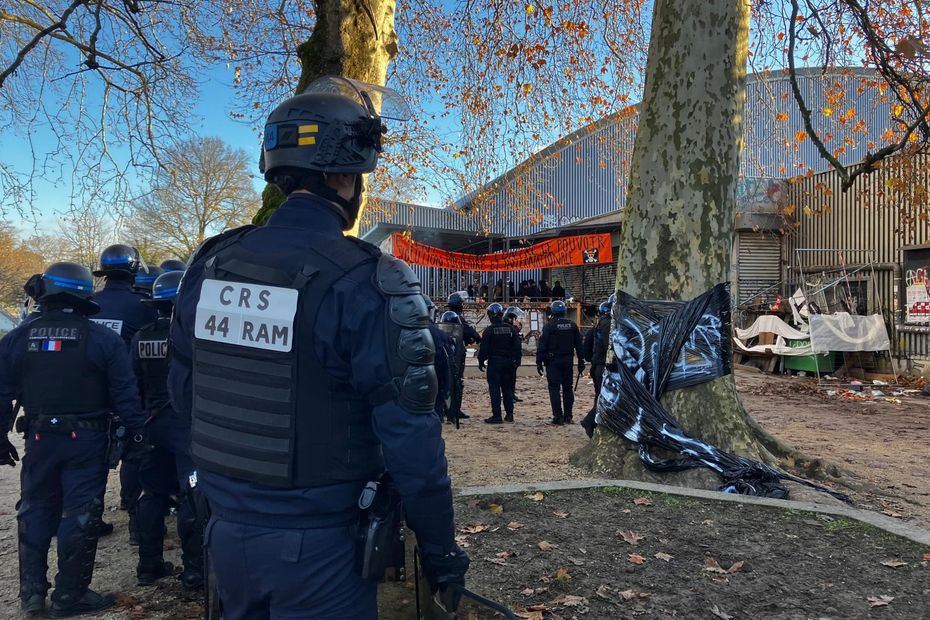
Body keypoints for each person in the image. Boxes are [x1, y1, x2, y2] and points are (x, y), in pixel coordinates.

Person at [168, 76, 467, 619]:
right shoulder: (368, 280)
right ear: (343, 173)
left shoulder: (211, 263)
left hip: (224, 535)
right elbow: (411, 439)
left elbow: (185, 392)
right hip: (318, 551)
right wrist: (440, 549)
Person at [0, 262, 149, 617]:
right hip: (87, 439)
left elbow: (2, 392)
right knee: (81, 512)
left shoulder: (18, 337)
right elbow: (126, 397)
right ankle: (69, 596)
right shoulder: (104, 340)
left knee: (34, 508)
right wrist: (139, 436)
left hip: (38, 437)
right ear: (84, 294)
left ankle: (32, 594)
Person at [131, 270, 205, 589]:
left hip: (151, 423)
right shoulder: (192, 335)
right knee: (192, 496)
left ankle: (148, 564)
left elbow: (131, 383)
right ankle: (194, 572)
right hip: (183, 424)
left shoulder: (141, 336)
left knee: (152, 493)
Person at [91, 243, 157, 543]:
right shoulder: (141, 306)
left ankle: (90, 517)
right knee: (133, 453)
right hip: (129, 391)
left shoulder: (88, 302)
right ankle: (135, 520)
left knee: (89, 457)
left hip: (89, 391)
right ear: (133, 270)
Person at [536, 300, 585, 425]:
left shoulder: (549, 326)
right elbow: (579, 346)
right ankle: (568, 416)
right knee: (568, 389)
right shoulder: (572, 325)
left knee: (554, 389)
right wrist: (581, 361)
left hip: (553, 362)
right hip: (568, 361)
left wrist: (539, 362)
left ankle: (558, 416)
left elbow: (542, 345)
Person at [477, 303, 522, 424]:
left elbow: (483, 349)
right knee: (507, 389)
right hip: (508, 363)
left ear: (490, 316)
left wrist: (481, 361)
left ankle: (497, 416)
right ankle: (510, 414)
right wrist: (517, 361)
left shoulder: (489, 330)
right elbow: (517, 346)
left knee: (495, 389)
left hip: (495, 363)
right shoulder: (511, 329)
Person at [446, 292, 482, 421]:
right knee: (457, 382)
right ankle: (453, 411)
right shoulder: (459, 319)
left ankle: (449, 409)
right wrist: (477, 338)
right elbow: (469, 332)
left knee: (446, 382)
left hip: (445, 354)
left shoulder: (444, 317)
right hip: (457, 355)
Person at [581, 299, 612, 438]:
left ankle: (596, 423)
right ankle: (590, 421)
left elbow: (586, 349)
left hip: (597, 366)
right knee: (606, 398)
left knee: (600, 396)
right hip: (605, 367)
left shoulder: (597, 326)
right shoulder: (609, 325)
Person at [503, 306, 525, 404]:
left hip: (513, 356)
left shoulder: (512, 327)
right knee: (508, 378)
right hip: (508, 356)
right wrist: (516, 327)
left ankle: (512, 393)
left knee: (513, 377)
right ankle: (508, 395)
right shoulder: (508, 327)